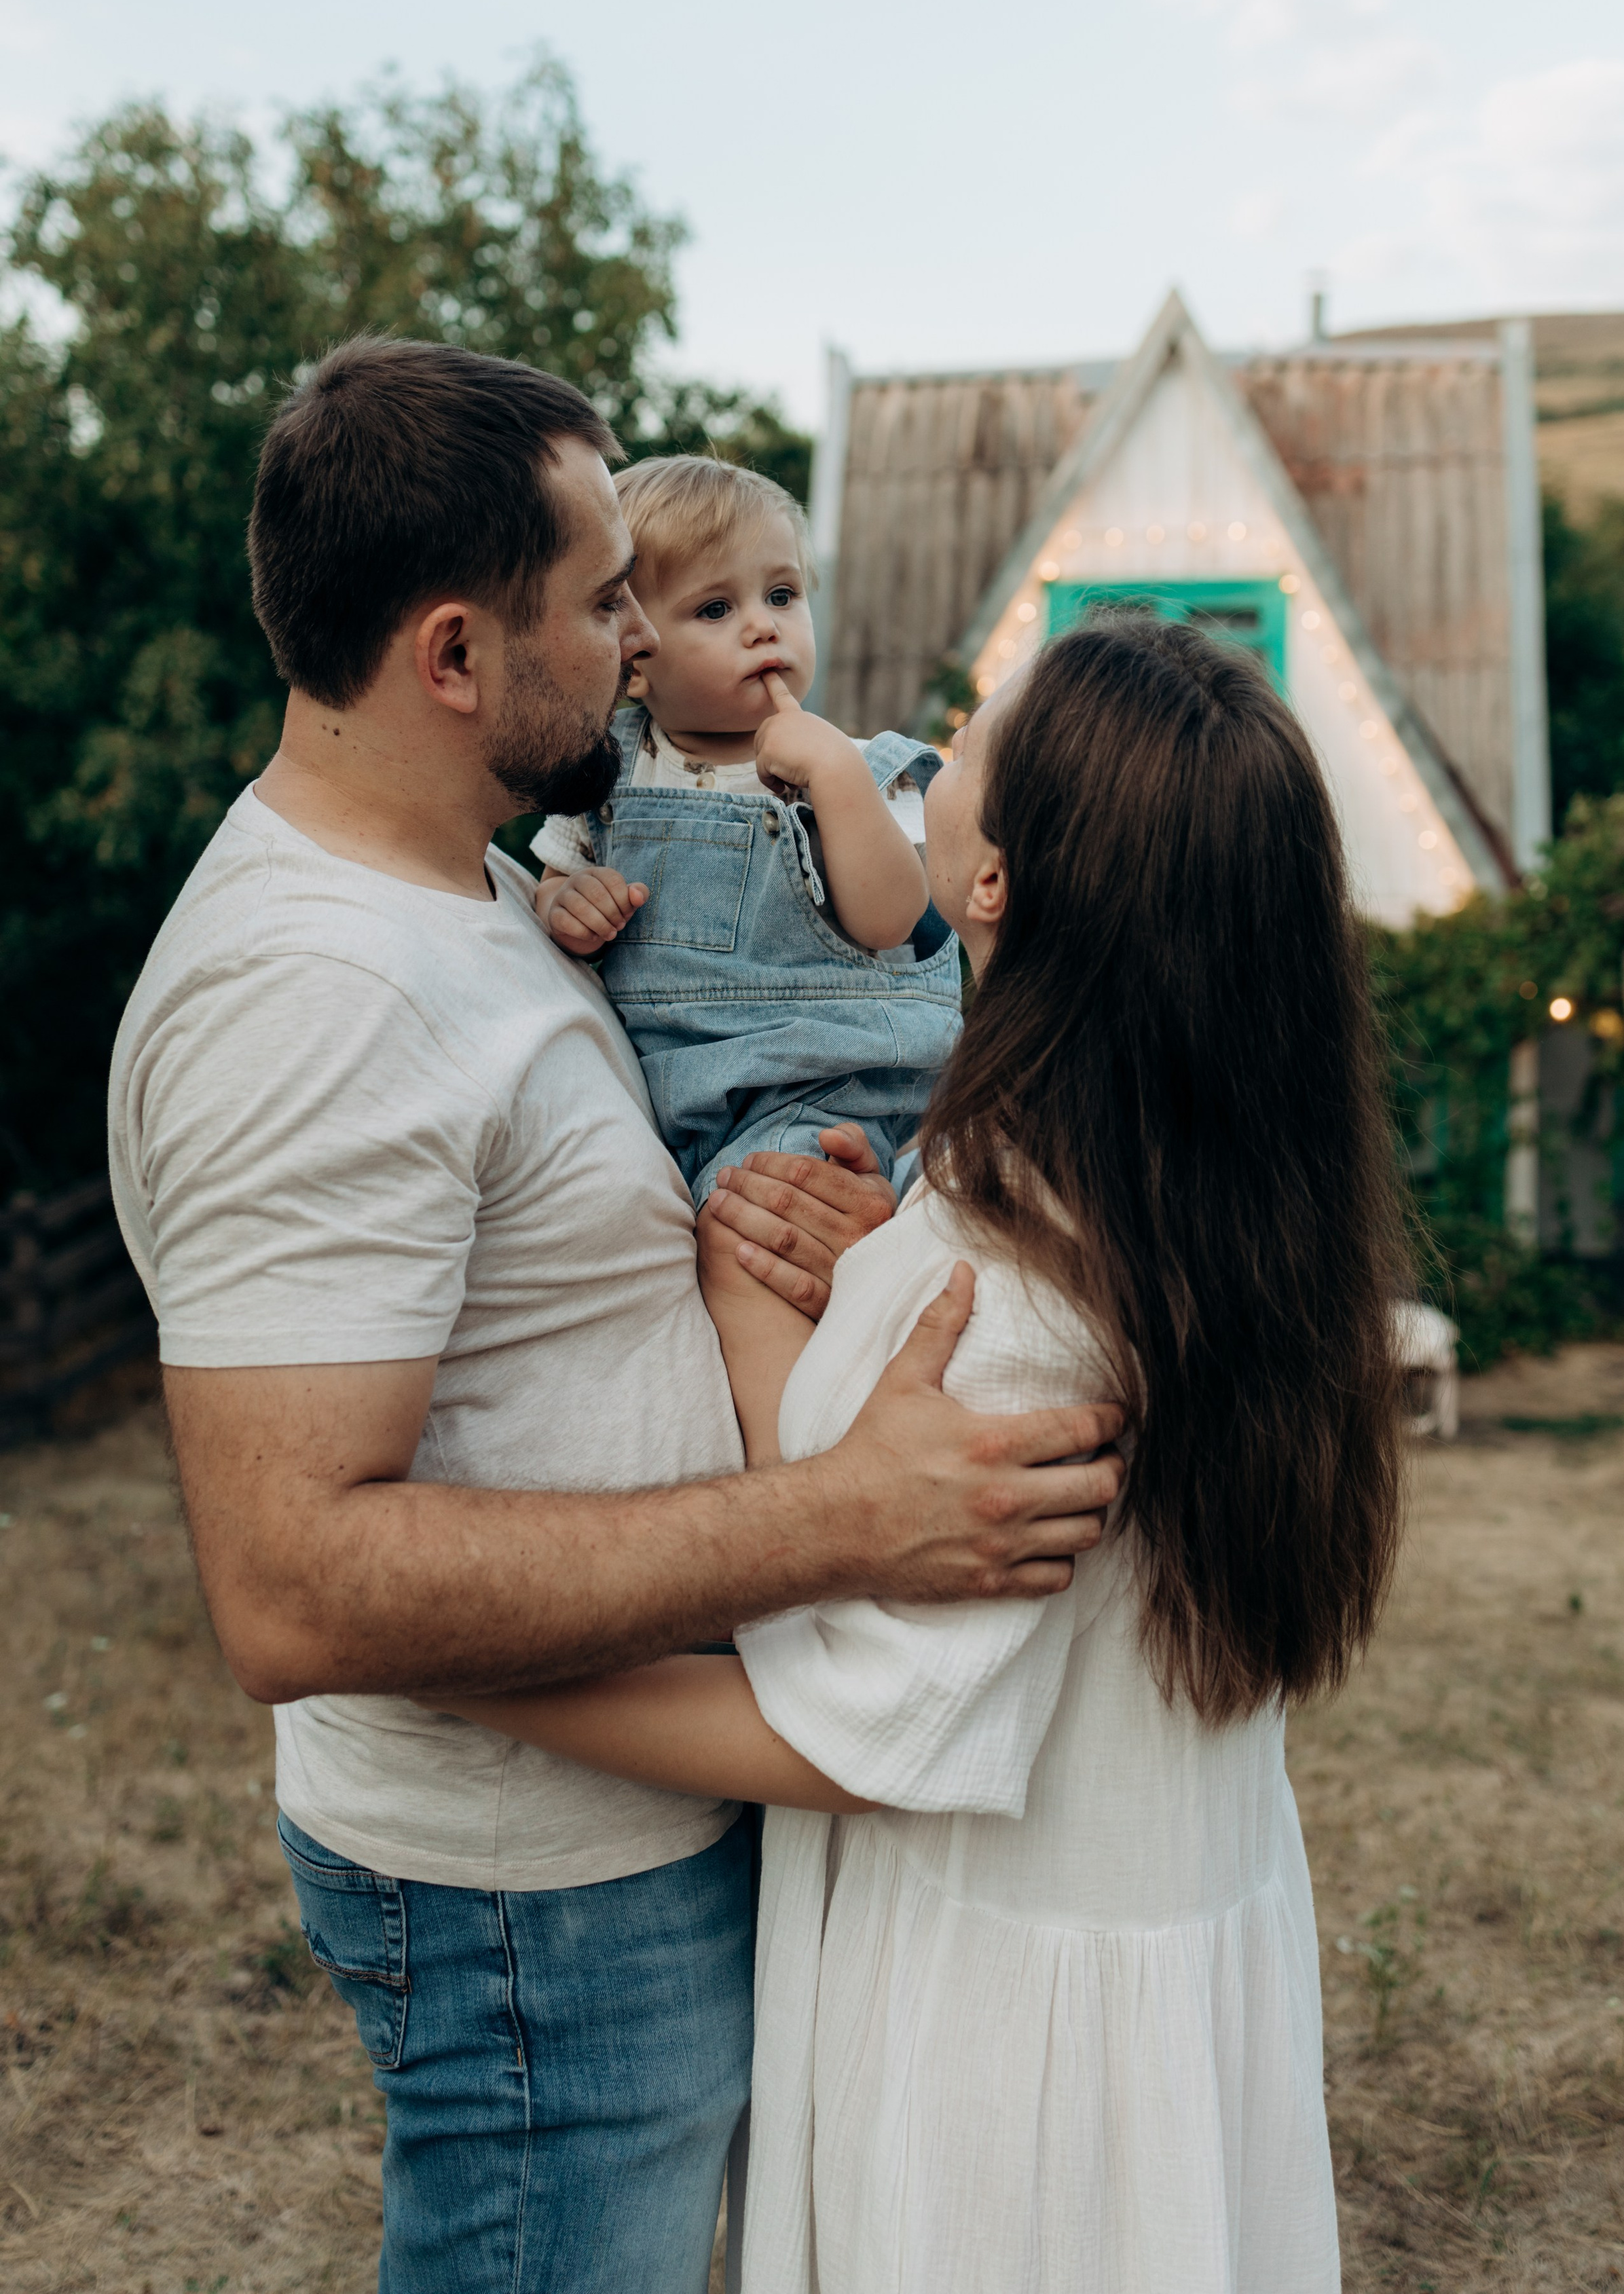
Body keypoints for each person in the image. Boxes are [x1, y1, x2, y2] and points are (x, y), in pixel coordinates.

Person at [106, 338, 1123, 2294]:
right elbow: (294, 1583)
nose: (638, 649)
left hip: (628, 1829)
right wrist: (842, 1518)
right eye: (600, 606)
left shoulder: (481, 889)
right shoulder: (309, 996)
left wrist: (783, 1238)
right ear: (456, 654)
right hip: (524, 1904)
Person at [429, 612, 1409, 2293]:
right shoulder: (1209, 1204)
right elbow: (884, 1491)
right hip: (1160, 1937)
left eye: (967, 740)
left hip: (1005, 2046)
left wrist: (456, 1666)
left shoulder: (1016, 1291)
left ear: (995, 885)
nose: (924, 751)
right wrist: (791, 1287)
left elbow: (859, 1729)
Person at [530, 455, 960, 1206]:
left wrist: (835, 780)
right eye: (714, 610)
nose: (764, 625)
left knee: (751, 1230)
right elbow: (553, 890)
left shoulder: (861, 767)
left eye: (782, 594)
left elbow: (895, 919)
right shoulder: (609, 772)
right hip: (661, 1092)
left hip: (821, 1087)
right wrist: (571, 905)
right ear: (634, 660)